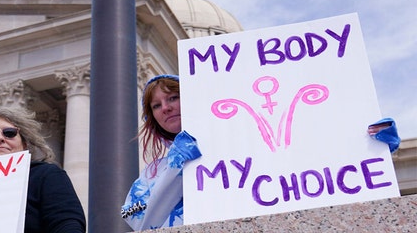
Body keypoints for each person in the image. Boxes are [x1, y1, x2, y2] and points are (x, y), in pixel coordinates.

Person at [121, 74, 400, 231]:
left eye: (173, 97)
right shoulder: (151, 173)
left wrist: (369, 143)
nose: (166, 108)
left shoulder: (248, 141)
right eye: (156, 106)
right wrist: (175, 168)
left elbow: (306, 163)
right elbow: (139, 220)